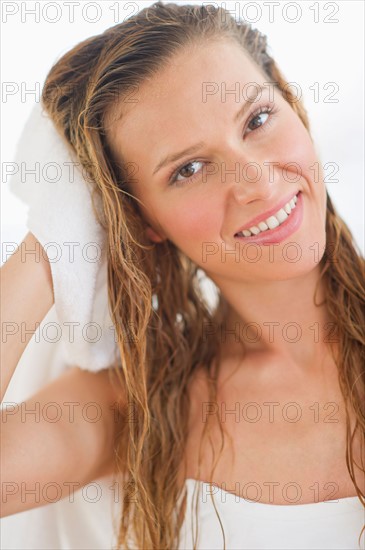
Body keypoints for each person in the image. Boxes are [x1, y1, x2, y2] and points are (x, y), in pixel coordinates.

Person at [1, 2, 364, 549]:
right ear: (142, 221)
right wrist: (51, 238)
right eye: (188, 169)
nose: (258, 182)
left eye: (257, 119)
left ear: (293, 104)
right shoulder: (138, 411)